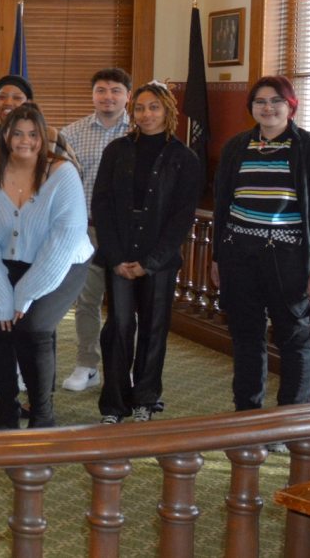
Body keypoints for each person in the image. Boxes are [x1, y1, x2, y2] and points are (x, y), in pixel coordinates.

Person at [0, 103, 94, 429]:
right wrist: (0, 297)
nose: (25, 140)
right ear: (5, 135)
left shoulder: (62, 172)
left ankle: (42, 414)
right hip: (5, 262)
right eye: (17, 133)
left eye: (33, 134)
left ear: (44, 138)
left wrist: (24, 295)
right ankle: (7, 409)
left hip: (63, 263)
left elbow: (65, 239)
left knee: (33, 327)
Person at [212, 76, 310, 414]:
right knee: (246, 338)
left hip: (289, 258)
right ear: (251, 107)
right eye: (260, 101)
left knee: (294, 339)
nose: (268, 108)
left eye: (276, 100)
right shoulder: (236, 147)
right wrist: (218, 258)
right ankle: (248, 415)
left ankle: (289, 420)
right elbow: (223, 206)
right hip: (238, 255)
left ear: (291, 105)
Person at [92, 81, 201, 423]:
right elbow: (102, 205)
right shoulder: (117, 150)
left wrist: (151, 262)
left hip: (160, 259)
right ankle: (114, 403)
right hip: (119, 253)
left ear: (168, 110)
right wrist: (114, 256)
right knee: (120, 327)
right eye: (139, 108)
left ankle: (146, 398)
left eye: (153, 107)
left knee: (154, 330)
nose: (146, 114)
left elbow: (181, 217)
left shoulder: (184, 157)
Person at [59, 68, 132, 394]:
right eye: (101, 90)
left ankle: (123, 367)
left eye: (115, 90)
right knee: (86, 301)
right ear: (92, 95)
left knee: (125, 304)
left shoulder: (140, 131)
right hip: (85, 230)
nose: (108, 97)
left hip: (127, 232)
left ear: (127, 95)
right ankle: (87, 365)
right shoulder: (71, 134)